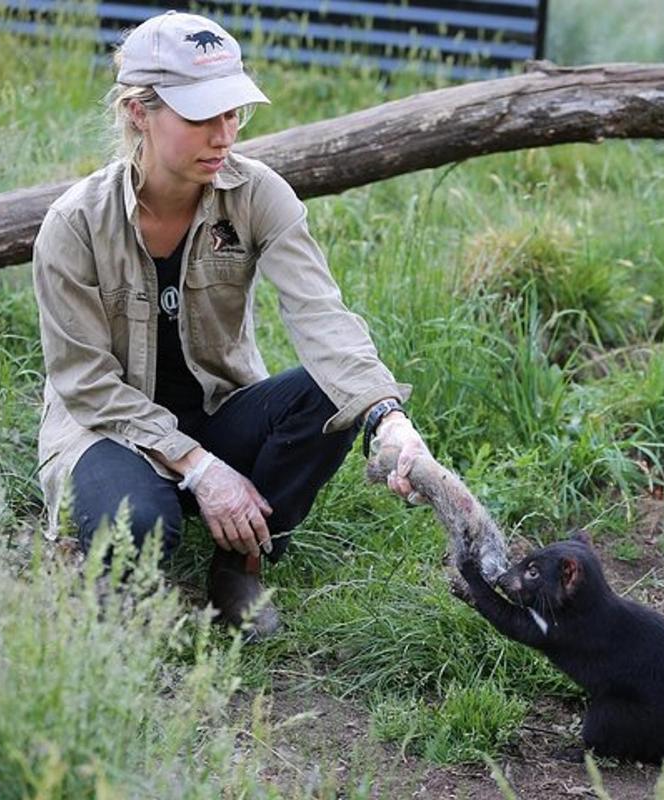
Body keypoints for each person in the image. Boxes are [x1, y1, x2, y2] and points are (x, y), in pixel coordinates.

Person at [32, 10, 428, 640]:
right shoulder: (75, 223)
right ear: (140, 112)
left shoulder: (257, 194)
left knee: (336, 394)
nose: (223, 136)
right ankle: (110, 561)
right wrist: (199, 469)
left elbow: (321, 314)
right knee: (138, 525)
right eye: (201, 116)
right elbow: (83, 382)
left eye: (233, 113)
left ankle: (238, 565)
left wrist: (389, 417)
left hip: (218, 408)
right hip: (106, 428)